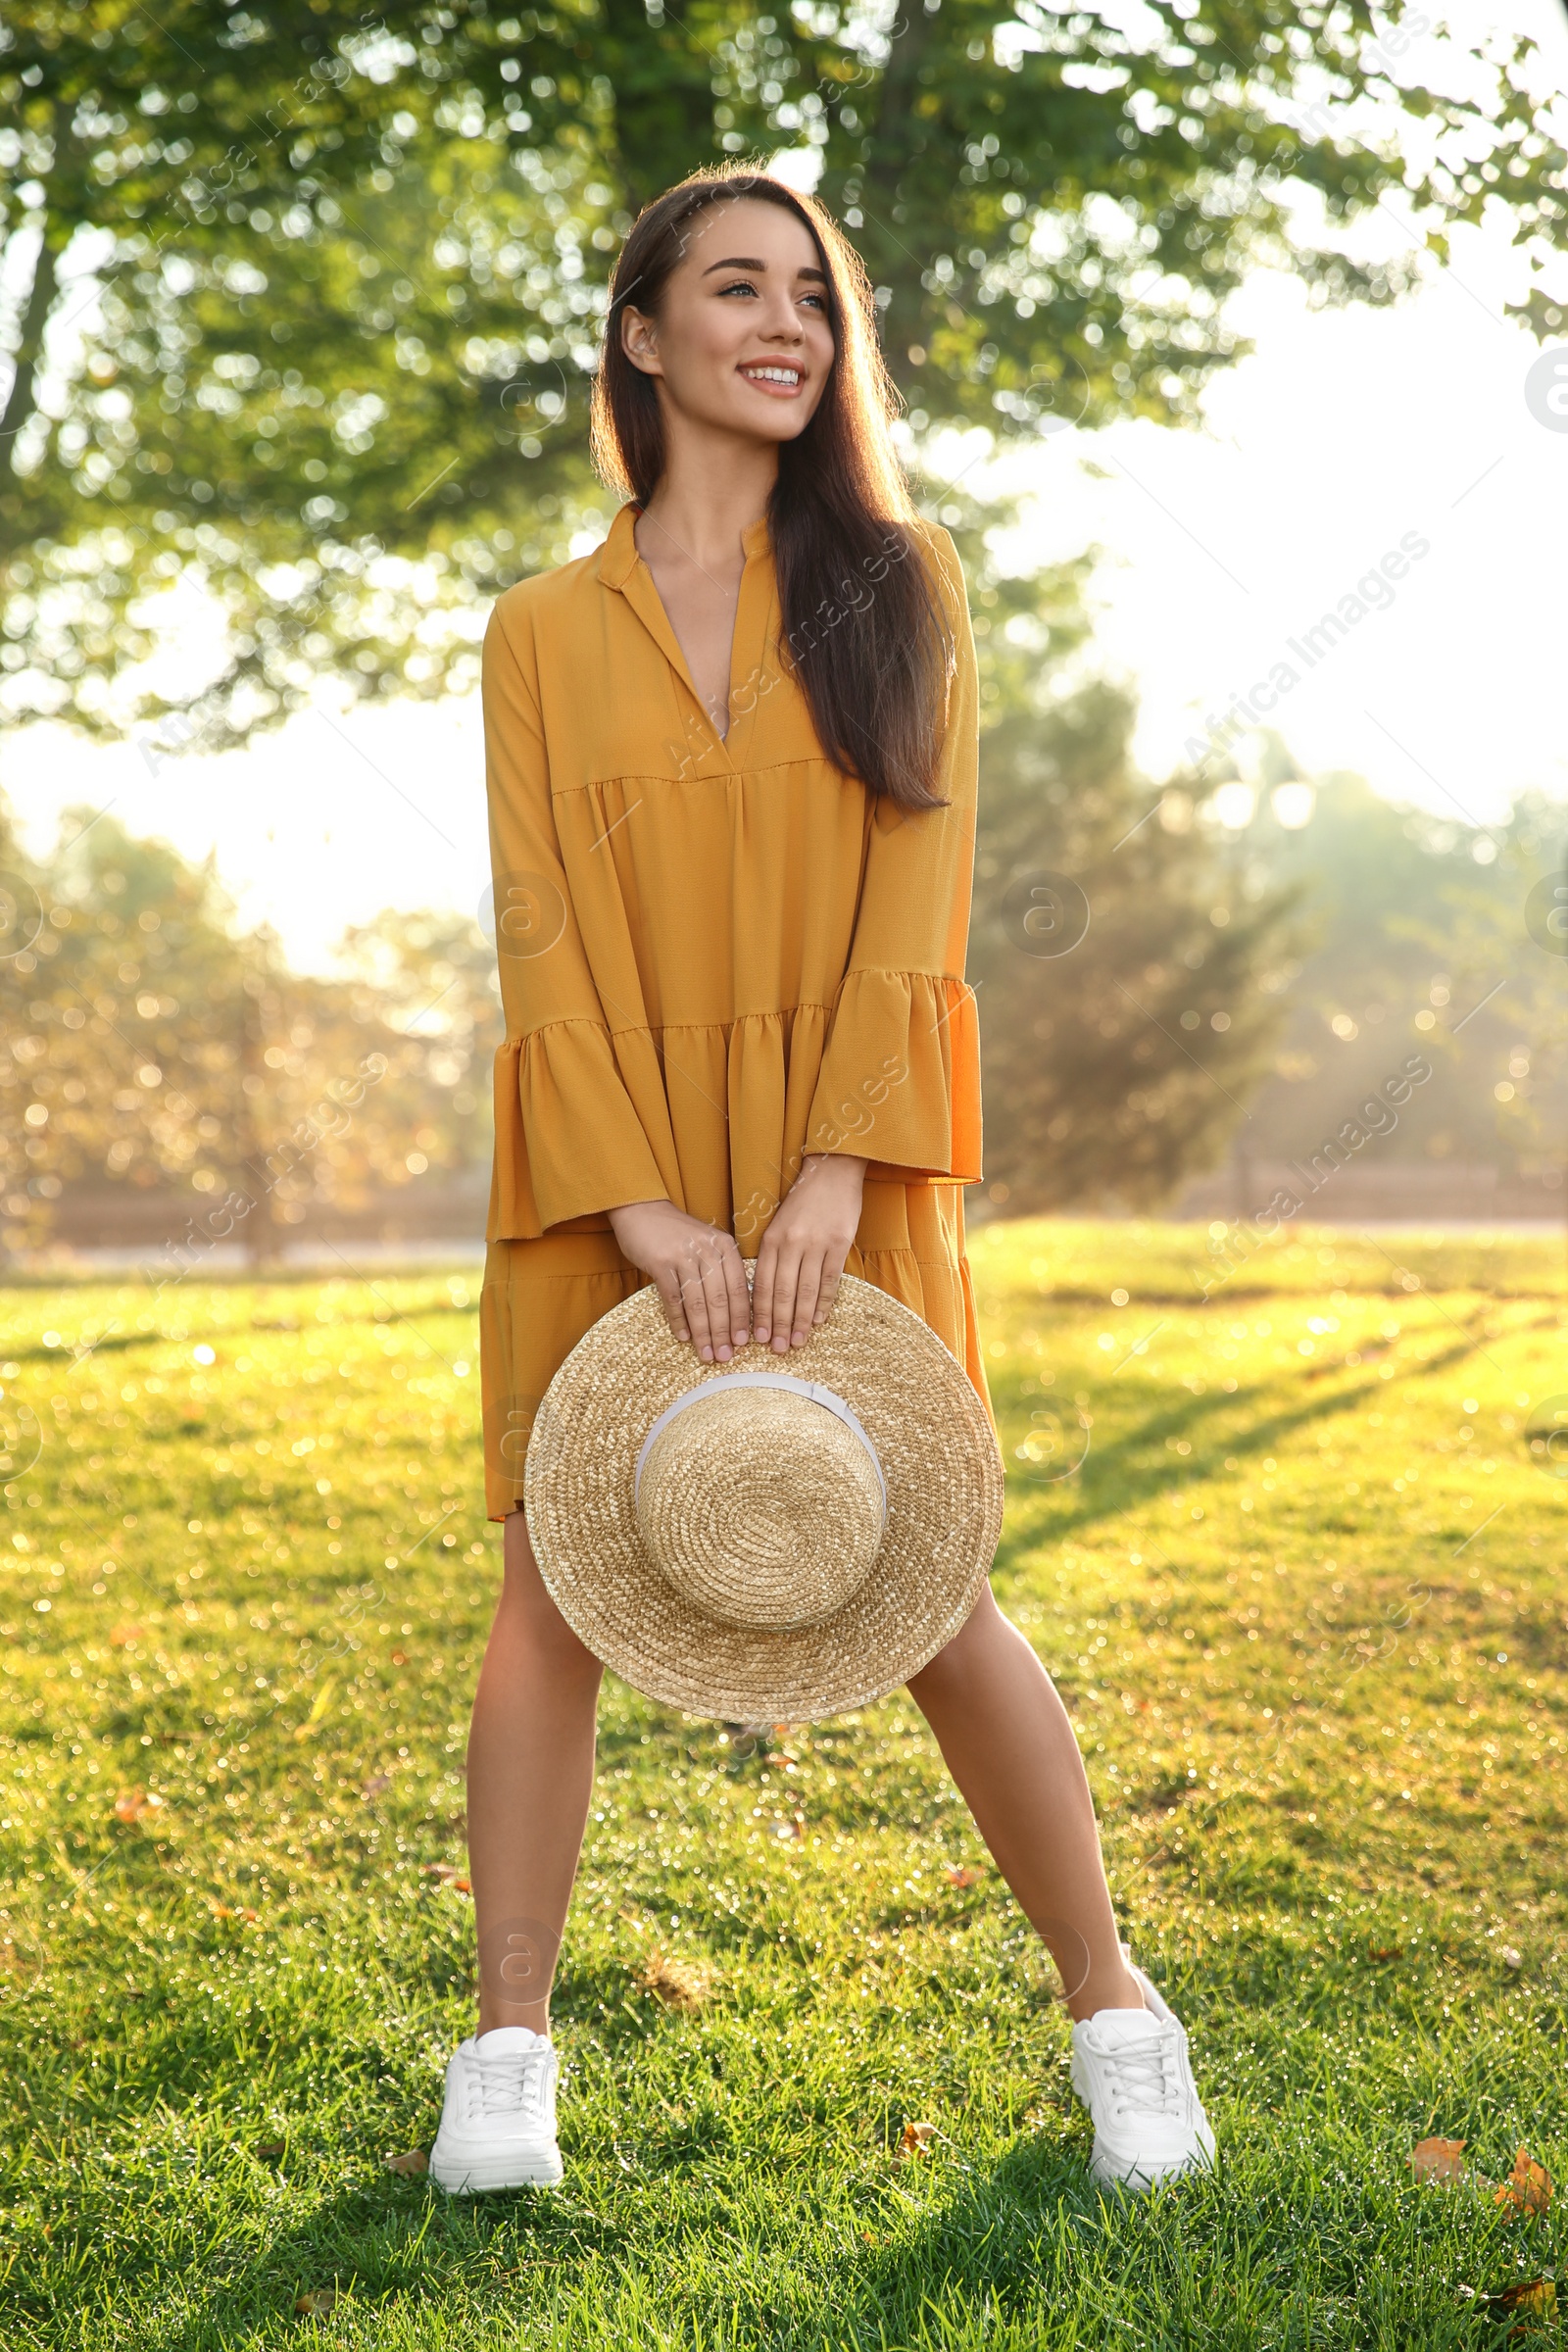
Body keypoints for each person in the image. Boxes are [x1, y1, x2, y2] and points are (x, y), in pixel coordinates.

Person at [430, 166, 1214, 2197]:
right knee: (548, 1587)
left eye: (810, 294)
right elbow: (540, 937)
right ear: (638, 336)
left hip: (839, 1167)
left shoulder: (901, 588)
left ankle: (1115, 2009)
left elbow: (913, 926)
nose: (783, 322)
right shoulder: (531, 635)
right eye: (733, 288)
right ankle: (505, 2057)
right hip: (608, 1172)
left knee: (927, 1577)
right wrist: (639, 1212)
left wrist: (818, 1190)